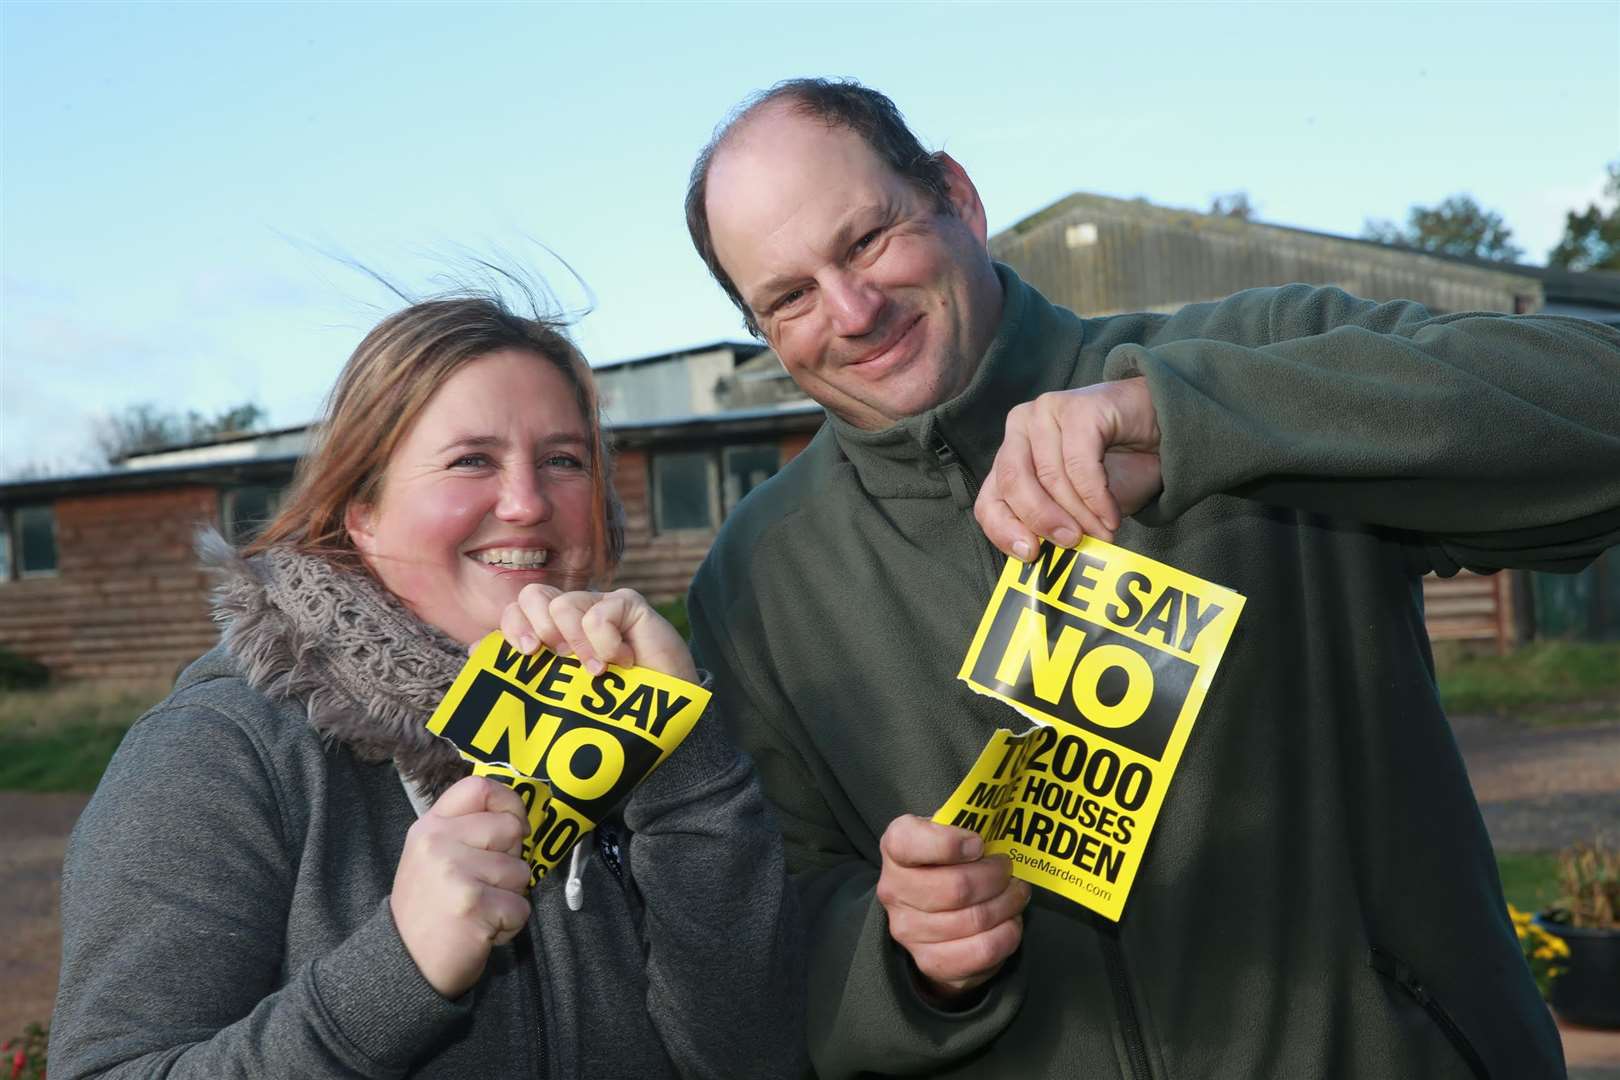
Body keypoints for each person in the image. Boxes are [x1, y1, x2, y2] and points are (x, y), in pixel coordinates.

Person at [679, 78, 1620, 1078]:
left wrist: (1192, 421)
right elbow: (773, 947)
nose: (852, 311)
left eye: (866, 240)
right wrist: (905, 958)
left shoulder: (1243, 361)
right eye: (787, 297)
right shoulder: (753, 582)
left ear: (957, 195)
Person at [50, 295, 806, 1078]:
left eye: (564, 460)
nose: (527, 503)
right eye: (471, 460)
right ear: (363, 512)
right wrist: (394, 972)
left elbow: (752, 1057)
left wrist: (683, 760)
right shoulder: (221, 751)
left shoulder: (631, 721)